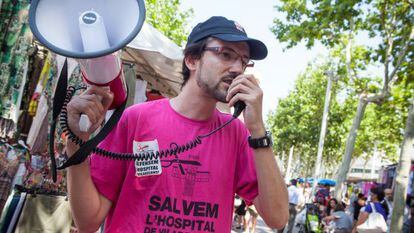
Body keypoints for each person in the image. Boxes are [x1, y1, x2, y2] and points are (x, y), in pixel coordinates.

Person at [65, 16, 289, 232]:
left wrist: (258, 129)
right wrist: (76, 143)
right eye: (226, 54)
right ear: (191, 59)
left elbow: (277, 218)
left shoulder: (237, 134)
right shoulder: (135, 119)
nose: (237, 69)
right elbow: (88, 221)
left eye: (243, 61)